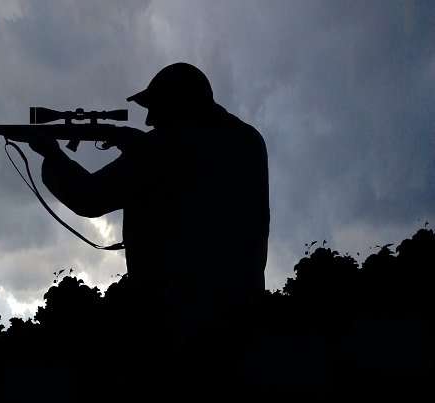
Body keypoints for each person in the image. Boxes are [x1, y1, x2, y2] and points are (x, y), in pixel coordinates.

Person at [29, 62, 269, 348]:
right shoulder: (247, 139)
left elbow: (88, 197)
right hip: (244, 310)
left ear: (178, 104)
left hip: (172, 319)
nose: (149, 120)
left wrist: (52, 155)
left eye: (156, 108)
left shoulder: (159, 148)